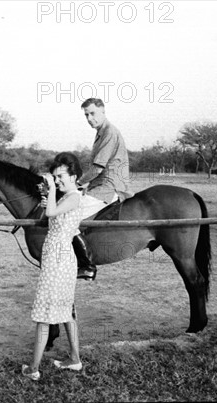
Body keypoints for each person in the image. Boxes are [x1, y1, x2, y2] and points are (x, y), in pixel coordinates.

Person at [22, 152, 84, 381]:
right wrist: (51, 196)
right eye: (55, 177)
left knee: (44, 316)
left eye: (61, 177)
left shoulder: (74, 196)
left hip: (58, 260)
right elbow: (50, 214)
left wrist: (51, 190)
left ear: (74, 176)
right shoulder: (66, 196)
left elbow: (50, 213)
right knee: (66, 312)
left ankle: (33, 369)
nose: (57, 180)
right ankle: (75, 360)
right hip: (58, 258)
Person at [72, 97, 131, 281]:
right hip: (100, 185)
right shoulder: (101, 133)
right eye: (86, 115)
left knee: (69, 217)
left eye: (92, 113)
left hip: (109, 187)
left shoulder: (109, 132)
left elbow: (97, 168)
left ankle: (88, 266)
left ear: (103, 112)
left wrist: (77, 184)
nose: (89, 118)